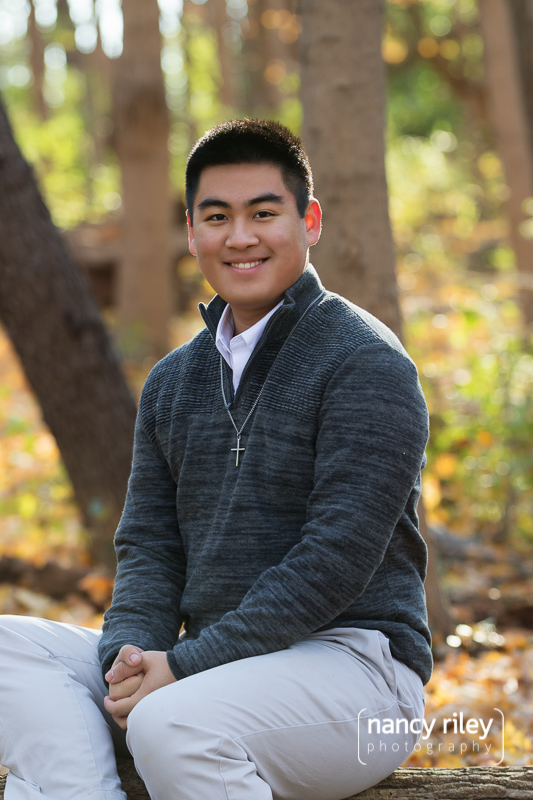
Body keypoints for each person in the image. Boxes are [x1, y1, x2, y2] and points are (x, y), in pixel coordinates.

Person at [0, 118, 432, 800]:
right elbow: (150, 547)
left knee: (173, 722)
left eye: (263, 213)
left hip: (360, 674)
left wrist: (184, 667)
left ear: (309, 221)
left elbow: (335, 558)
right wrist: (128, 659)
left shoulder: (365, 363)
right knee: (9, 650)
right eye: (217, 217)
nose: (239, 237)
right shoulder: (173, 381)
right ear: (192, 232)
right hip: (209, 667)